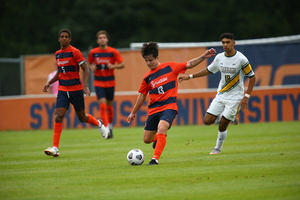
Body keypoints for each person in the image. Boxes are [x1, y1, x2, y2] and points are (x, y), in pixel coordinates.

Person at [127, 42, 216, 165]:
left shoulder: (170, 67)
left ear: (157, 57)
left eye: (150, 60)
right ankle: (160, 138)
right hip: (154, 110)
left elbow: (189, 64)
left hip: (169, 107)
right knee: (147, 139)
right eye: (146, 61)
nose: (148, 63)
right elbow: (142, 95)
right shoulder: (147, 77)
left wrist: (204, 56)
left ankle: (155, 159)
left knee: (162, 128)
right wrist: (133, 112)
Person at [179, 32, 256, 154]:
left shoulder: (241, 59)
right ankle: (231, 115)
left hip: (235, 97)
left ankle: (217, 148)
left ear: (233, 43)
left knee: (222, 124)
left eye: (228, 42)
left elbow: (252, 77)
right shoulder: (219, 57)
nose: (225, 45)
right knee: (207, 121)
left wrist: (246, 97)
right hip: (221, 94)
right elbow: (209, 70)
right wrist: (190, 76)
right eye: (223, 42)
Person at [42, 28, 109, 157]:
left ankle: (99, 124)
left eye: (66, 37)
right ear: (59, 39)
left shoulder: (75, 52)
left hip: (76, 89)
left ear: (70, 39)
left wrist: (85, 86)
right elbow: (60, 72)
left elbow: (86, 69)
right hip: (62, 90)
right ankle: (55, 148)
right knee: (58, 116)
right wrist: (49, 83)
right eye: (62, 37)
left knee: (82, 118)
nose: (64, 39)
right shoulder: (57, 54)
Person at [88, 30, 125, 139]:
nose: (102, 39)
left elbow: (122, 64)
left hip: (110, 82)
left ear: (107, 39)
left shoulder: (113, 52)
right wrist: (91, 68)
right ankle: (106, 129)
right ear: (97, 40)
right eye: (100, 38)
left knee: (109, 106)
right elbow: (89, 63)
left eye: (104, 37)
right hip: (99, 82)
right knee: (103, 106)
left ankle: (110, 126)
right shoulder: (93, 52)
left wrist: (113, 66)